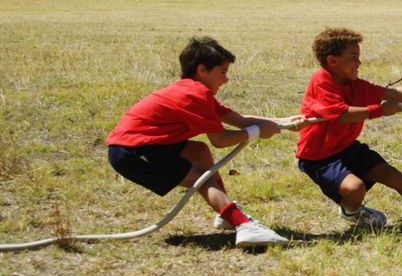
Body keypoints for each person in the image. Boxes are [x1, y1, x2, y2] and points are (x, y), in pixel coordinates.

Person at [107, 37, 304, 248]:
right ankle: (244, 225)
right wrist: (257, 132)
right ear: (202, 70)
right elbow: (220, 140)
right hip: (132, 153)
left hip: (147, 146)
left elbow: (240, 121)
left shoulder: (195, 91)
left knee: (199, 151)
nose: (226, 79)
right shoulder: (194, 94)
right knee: (201, 178)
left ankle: (227, 213)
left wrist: (286, 122)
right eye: (223, 72)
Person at [296, 28, 402, 238]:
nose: (359, 63)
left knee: (391, 175)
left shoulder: (354, 84)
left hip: (346, 147)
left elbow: (394, 93)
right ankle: (352, 212)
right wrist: (380, 111)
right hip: (319, 157)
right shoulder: (321, 81)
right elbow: (341, 114)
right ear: (332, 61)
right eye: (353, 58)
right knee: (355, 189)